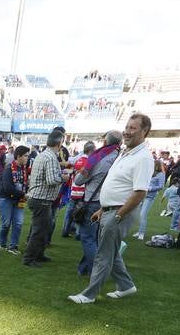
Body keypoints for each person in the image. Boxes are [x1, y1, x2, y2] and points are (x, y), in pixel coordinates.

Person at [68, 113, 154, 304]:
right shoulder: (126, 153)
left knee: (103, 254)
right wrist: (103, 210)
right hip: (110, 210)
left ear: (144, 131)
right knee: (110, 251)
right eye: (127, 127)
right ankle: (126, 286)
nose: (127, 131)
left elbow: (139, 193)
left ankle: (89, 295)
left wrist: (118, 215)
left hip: (119, 212)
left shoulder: (143, 157)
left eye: (133, 128)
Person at [72, 130, 122, 276]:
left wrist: (80, 173)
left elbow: (79, 180)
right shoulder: (120, 158)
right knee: (95, 237)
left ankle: (98, 271)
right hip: (111, 202)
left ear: (105, 142)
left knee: (88, 237)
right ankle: (84, 268)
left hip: (94, 201)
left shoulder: (98, 158)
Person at [22, 131, 65, 268]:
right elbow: (51, 180)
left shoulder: (43, 155)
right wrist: (63, 178)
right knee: (39, 231)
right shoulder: (51, 157)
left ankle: (38, 254)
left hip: (38, 198)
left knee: (43, 229)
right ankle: (29, 258)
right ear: (59, 143)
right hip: (42, 199)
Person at [0, 145, 30, 255]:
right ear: (19, 156)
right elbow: (7, 187)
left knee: (18, 223)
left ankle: (13, 246)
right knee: (6, 224)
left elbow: (23, 184)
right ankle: (2, 243)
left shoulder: (24, 169)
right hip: (6, 199)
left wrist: (26, 190)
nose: (27, 158)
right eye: (25, 156)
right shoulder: (8, 169)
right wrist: (23, 194)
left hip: (19, 200)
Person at [133, 159, 165, 240]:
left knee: (143, 215)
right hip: (142, 195)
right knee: (139, 214)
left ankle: (141, 233)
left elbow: (161, 186)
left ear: (156, 166)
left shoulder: (161, 174)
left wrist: (150, 188)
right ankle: (139, 232)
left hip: (149, 197)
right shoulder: (150, 172)